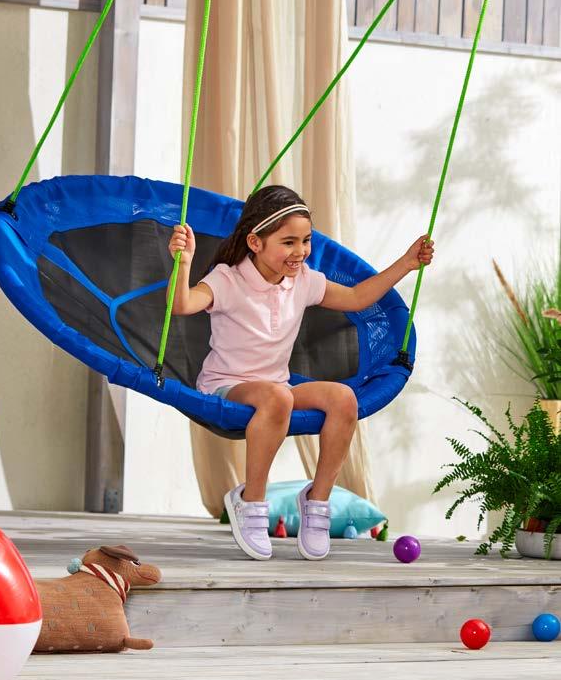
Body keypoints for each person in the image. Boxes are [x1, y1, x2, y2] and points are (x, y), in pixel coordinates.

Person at [167, 185, 434, 561]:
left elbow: (356, 298)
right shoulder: (228, 279)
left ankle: (317, 501)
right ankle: (251, 500)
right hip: (226, 386)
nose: (301, 251)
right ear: (255, 242)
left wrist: (406, 263)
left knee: (343, 398)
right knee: (278, 396)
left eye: (305, 241)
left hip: (277, 388)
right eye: (289, 242)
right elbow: (182, 305)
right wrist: (183, 264)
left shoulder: (303, 280)